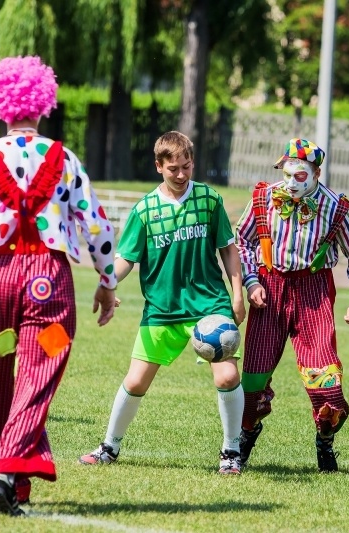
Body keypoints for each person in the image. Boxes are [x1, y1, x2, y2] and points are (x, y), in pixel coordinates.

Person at [0, 55, 118, 517]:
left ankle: (2, 478)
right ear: (44, 104)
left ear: (1, 105)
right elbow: (96, 225)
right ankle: (10, 475)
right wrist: (106, 281)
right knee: (43, 367)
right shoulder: (64, 160)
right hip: (50, 282)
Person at [79, 131, 247, 474]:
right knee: (136, 381)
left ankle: (231, 452)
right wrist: (106, 283)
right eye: (174, 169)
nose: (182, 174)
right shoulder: (145, 210)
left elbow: (228, 248)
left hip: (210, 306)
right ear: (159, 167)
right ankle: (109, 447)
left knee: (228, 377)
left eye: (187, 166)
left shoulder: (209, 200)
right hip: (162, 308)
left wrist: (237, 292)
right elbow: (127, 257)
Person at [235, 138, 349, 472]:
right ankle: (243, 439)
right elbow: (241, 240)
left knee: (324, 378)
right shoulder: (263, 198)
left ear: (317, 173)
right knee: (253, 379)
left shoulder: (335, 207)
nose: (292, 182)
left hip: (313, 293)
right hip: (269, 289)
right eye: (287, 174)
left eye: (301, 176)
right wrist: (251, 281)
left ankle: (325, 441)